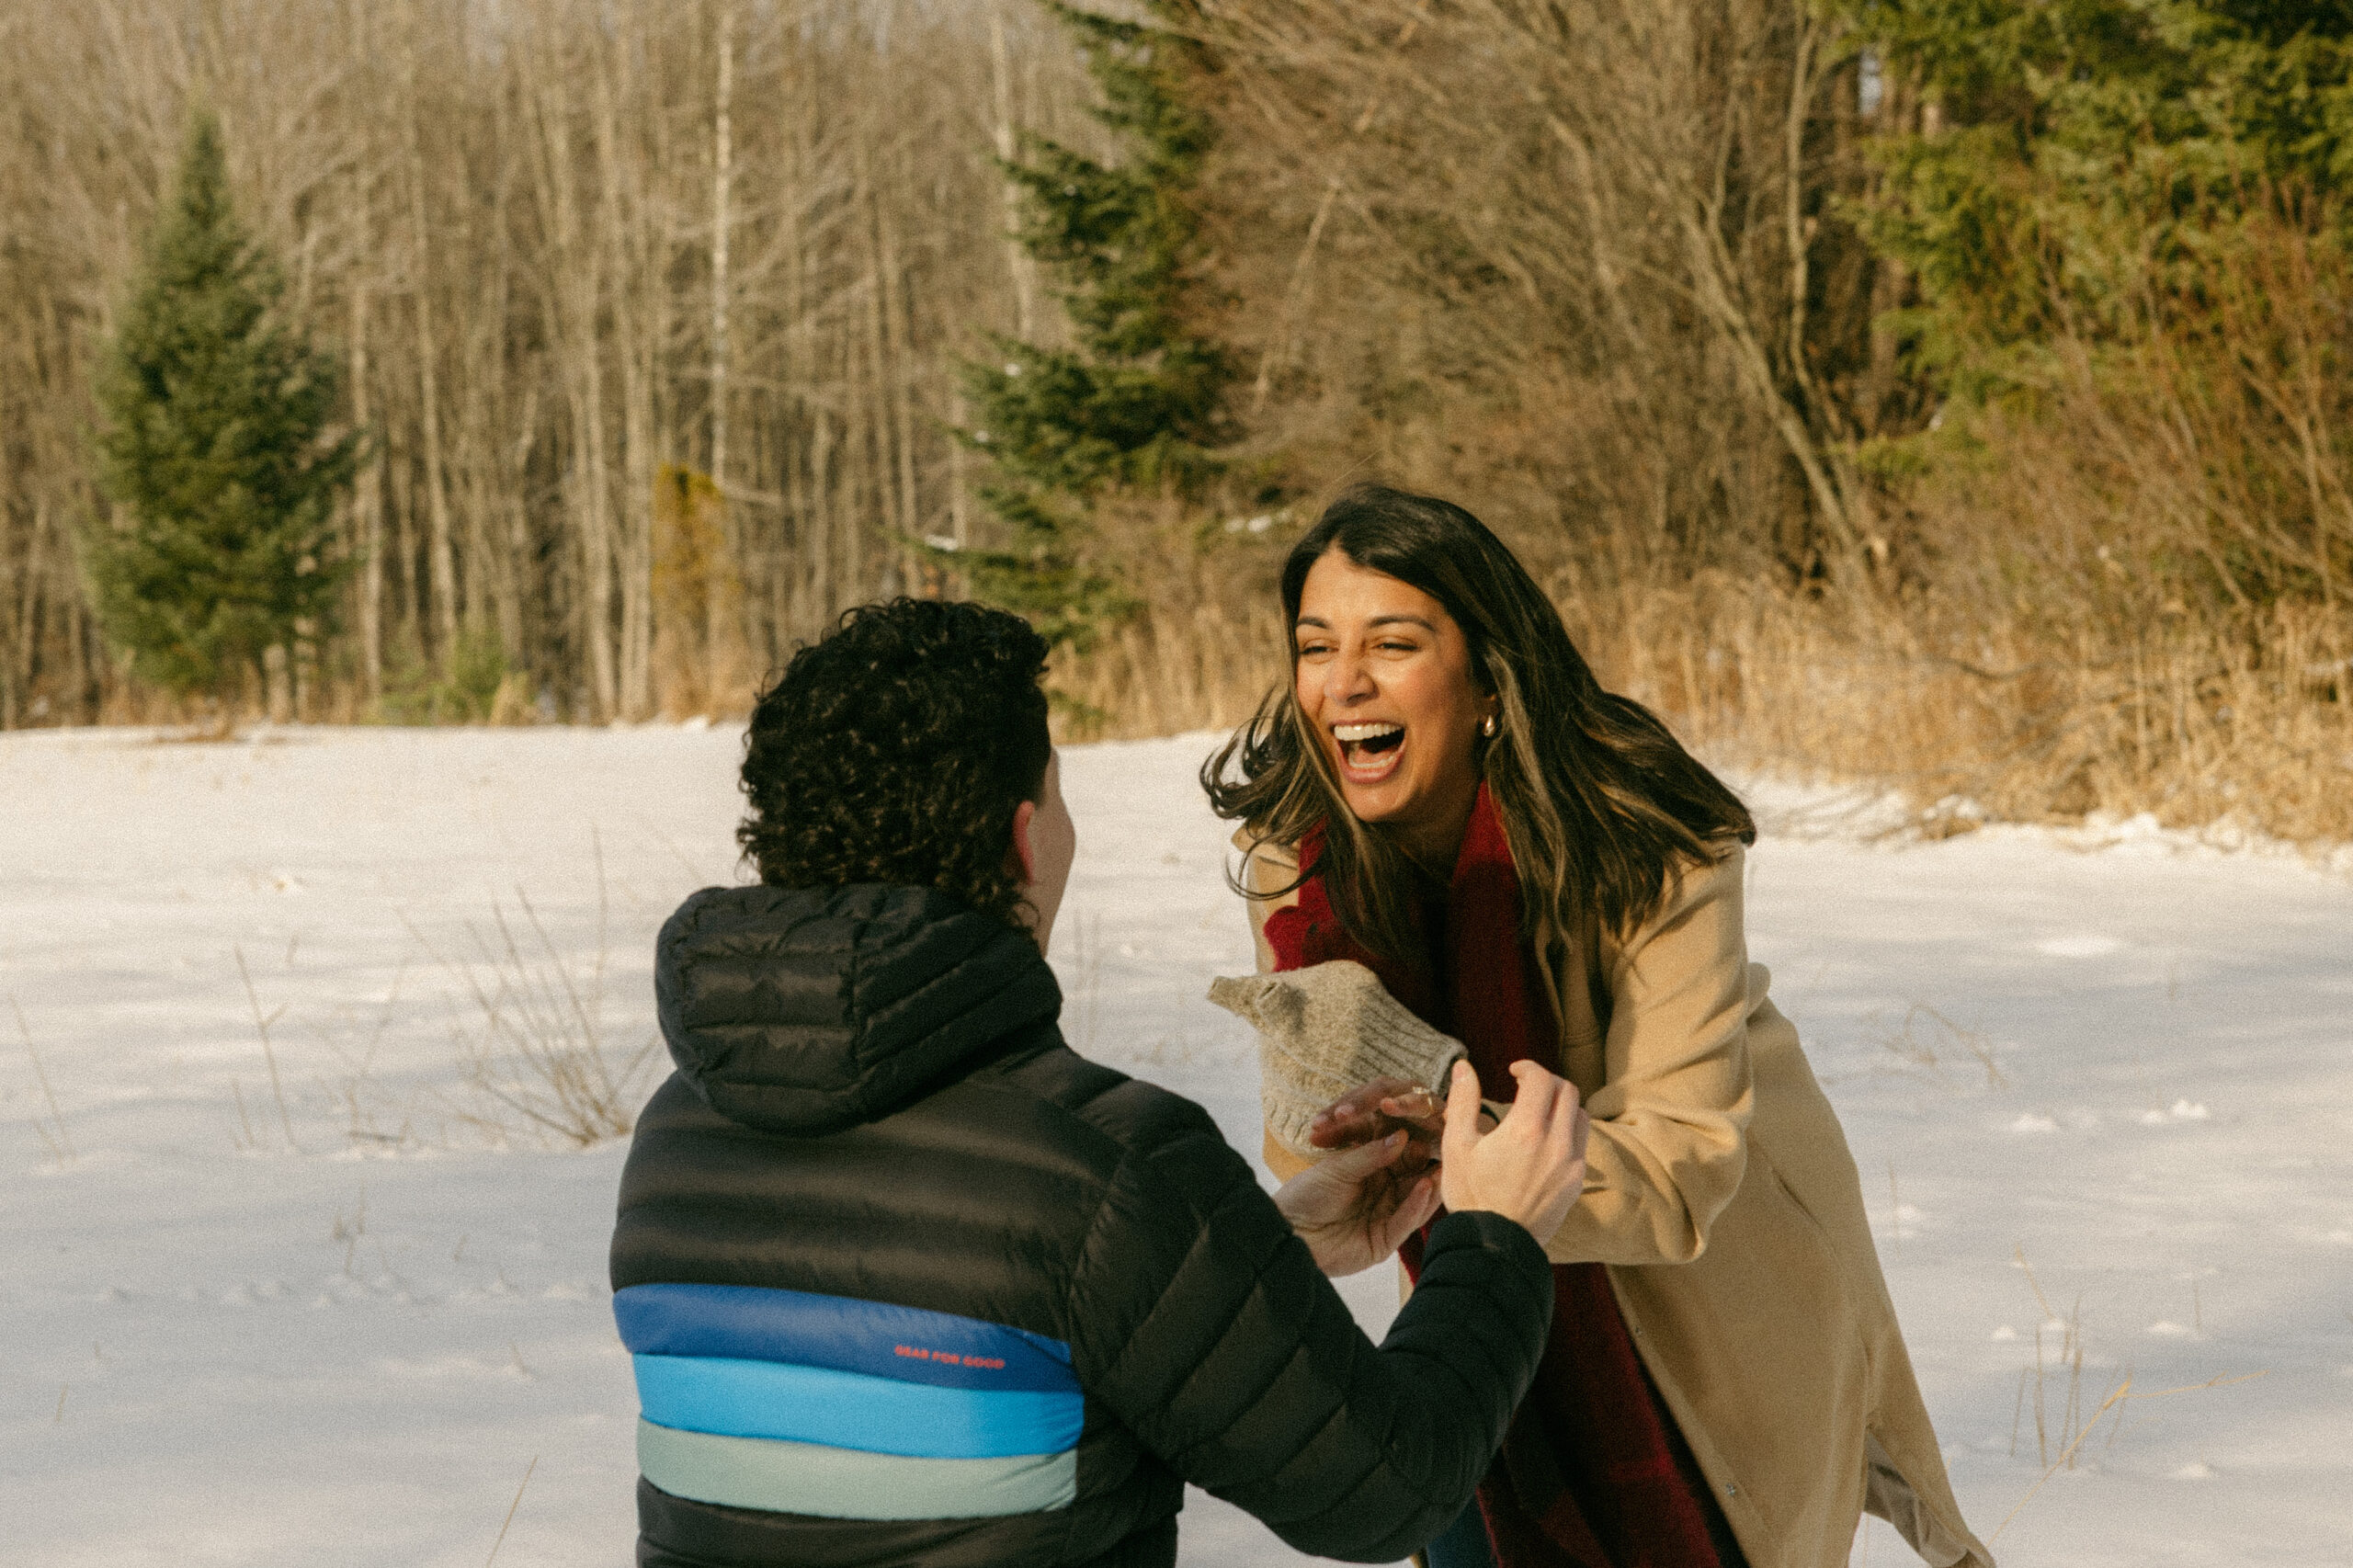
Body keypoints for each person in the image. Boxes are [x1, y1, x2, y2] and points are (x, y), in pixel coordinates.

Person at [609, 597, 1593, 1568]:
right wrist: (1492, 1239)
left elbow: (961, 1312)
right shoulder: (1106, 1163)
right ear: (1022, 837)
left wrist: (1252, 1252)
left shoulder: (674, 1144)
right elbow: (1382, 1493)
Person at [1204, 484, 1995, 1568]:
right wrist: (1374, 1161)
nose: (1344, 682)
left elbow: (1681, 1163)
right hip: (1479, 1317)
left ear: (1485, 674)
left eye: (1392, 642)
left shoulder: (1642, 836)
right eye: (1315, 645)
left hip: (1714, 1315)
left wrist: (1469, 1167)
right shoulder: (1300, 868)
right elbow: (1309, 1141)